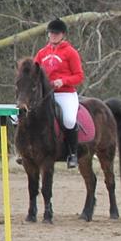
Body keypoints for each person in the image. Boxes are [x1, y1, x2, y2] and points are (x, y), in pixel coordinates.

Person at [34, 18, 84, 168]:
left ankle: (72, 153)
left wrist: (63, 81)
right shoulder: (42, 53)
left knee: (68, 120)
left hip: (65, 93)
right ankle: (27, 151)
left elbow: (79, 76)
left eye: (56, 33)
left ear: (63, 35)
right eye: (51, 33)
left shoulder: (71, 53)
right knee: (27, 116)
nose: (53, 36)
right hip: (45, 95)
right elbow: (33, 72)